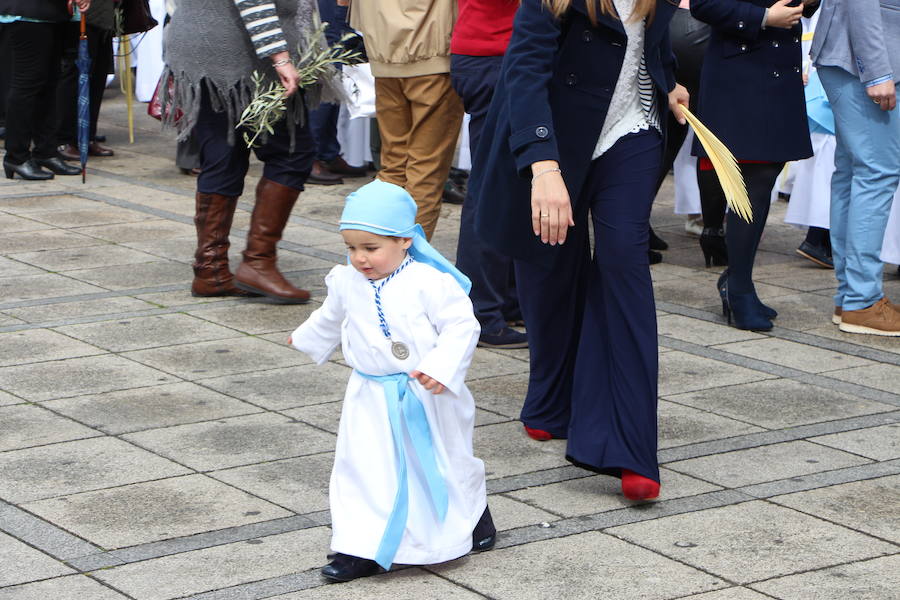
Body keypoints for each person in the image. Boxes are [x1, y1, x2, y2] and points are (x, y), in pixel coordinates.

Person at [472, 0, 686, 501]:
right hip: (556, 137)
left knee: (622, 262)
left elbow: (654, 45)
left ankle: (630, 446)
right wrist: (543, 167)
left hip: (632, 132)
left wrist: (668, 82)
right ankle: (549, 399)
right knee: (549, 262)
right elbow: (524, 72)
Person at [289, 180, 495, 582]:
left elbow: (462, 327)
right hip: (369, 394)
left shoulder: (430, 282)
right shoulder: (346, 279)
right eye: (351, 248)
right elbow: (332, 316)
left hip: (428, 393)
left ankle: (472, 516)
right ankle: (360, 547)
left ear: (404, 240)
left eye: (370, 248)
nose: (359, 258)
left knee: (445, 459)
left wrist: (440, 367)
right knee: (364, 467)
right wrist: (307, 337)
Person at [162, 0, 341, 302]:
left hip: (204, 44)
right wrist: (281, 57)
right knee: (292, 153)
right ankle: (258, 262)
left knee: (223, 155)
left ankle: (211, 271)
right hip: (237, 52)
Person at [691, 0, 818, 331]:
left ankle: (738, 281)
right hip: (741, 69)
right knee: (754, 182)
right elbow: (704, 5)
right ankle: (740, 288)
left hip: (778, 68)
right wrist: (764, 16)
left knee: (764, 177)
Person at [812, 0, 900, 335]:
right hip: (865, 60)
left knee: (855, 174)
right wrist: (876, 70)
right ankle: (861, 300)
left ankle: (853, 297)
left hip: (856, 57)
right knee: (875, 174)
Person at [346, 0, 464, 240]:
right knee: (425, 170)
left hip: (384, 49)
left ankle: (381, 253)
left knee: (393, 166)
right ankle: (406, 262)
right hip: (432, 48)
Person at [449, 0, 527, 349]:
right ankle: (483, 310)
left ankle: (504, 301)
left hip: (489, 51)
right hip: (493, 54)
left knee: (507, 187)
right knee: (491, 189)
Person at [1, 0, 89, 180]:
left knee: (49, 85)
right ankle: (16, 156)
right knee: (26, 86)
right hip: (27, 14)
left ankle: (46, 151)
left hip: (51, 14)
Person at [56, 0, 116, 161]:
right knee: (75, 77)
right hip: (79, 15)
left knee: (97, 77)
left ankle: (87, 136)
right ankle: (64, 140)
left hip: (103, 16)